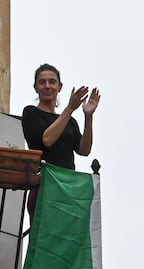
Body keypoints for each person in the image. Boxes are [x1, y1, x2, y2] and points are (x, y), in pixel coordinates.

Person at [21, 63, 100, 218]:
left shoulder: (69, 122)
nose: (47, 86)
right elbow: (47, 140)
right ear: (35, 87)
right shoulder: (31, 113)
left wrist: (88, 116)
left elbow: (84, 150)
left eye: (52, 81)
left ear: (60, 86)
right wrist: (70, 108)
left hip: (68, 187)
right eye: (42, 82)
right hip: (45, 186)